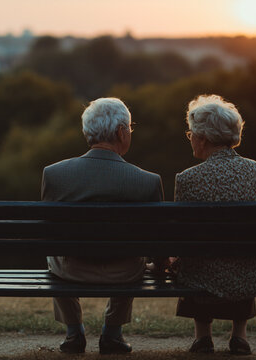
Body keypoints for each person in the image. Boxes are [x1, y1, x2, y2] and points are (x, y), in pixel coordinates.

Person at [41, 97, 164, 354]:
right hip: (125, 272)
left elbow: (49, 233)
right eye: (130, 128)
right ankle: (112, 333)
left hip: (71, 270)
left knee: (55, 252)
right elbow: (158, 239)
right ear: (121, 132)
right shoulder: (148, 182)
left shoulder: (54, 175)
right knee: (133, 254)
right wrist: (160, 266)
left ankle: (74, 332)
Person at [171, 94, 256, 355]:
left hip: (204, 271)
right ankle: (239, 335)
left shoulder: (187, 179)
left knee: (197, 258)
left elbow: (183, 236)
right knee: (244, 252)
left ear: (203, 138)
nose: (190, 137)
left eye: (191, 133)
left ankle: (203, 336)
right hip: (254, 269)